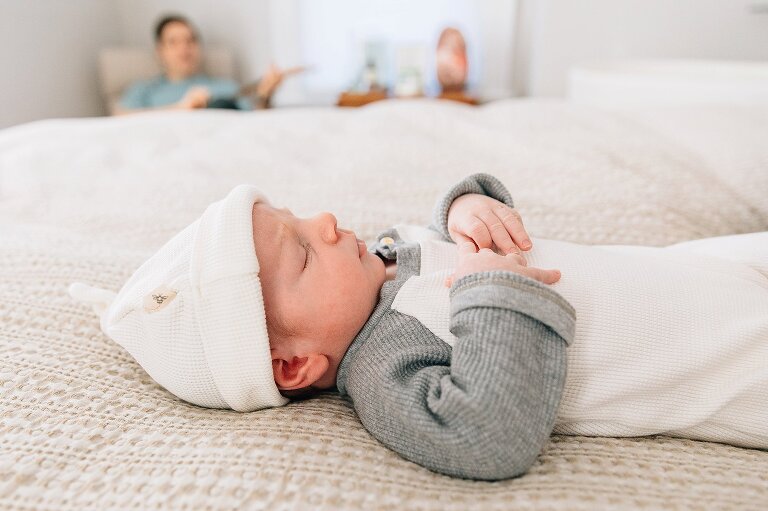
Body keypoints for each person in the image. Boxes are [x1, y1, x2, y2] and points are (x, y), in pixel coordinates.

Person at [68, 174, 768, 481]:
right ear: (294, 365)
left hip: (688, 266)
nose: (325, 223)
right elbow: (485, 435)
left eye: (297, 215)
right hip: (715, 357)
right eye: (304, 251)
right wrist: (494, 294)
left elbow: (452, 234)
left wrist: (468, 206)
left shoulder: (383, 259)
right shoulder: (384, 363)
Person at [116, 15, 290, 114]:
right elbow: (120, 120)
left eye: (190, 41)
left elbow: (255, 120)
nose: (184, 49)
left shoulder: (225, 87)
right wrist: (181, 108)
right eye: (173, 42)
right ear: (159, 51)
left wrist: (266, 96)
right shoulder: (144, 90)